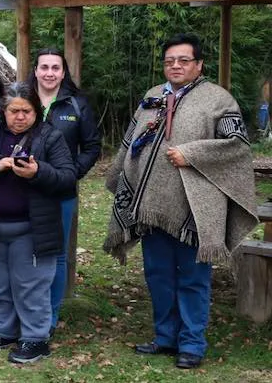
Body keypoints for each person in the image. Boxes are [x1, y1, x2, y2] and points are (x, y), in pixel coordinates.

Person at [104, 34, 257, 370]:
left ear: (198, 64)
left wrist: (192, 154)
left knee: (191, 277)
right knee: (158, 274)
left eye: (183, 60)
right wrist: (120, 175)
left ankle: (191, 343)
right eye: (170, 60)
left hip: (194, 208)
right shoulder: (152, 96)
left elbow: (237, 145)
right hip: (150, 206)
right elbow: (131, 141)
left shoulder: (218, 99)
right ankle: (165, 337)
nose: (175, 66)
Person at [0, 83, 77, 364]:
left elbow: (67, 177)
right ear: (4, 111)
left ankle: (36, 338)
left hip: (32, 228)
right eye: (14, 111)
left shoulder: (50, 136)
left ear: (36, 112)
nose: (20, 117)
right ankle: (2, 330)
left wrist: (38, 172)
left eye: (26, 111)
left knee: (31, 286)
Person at [24, 47, 101, 330]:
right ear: (35, 70)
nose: (49, 73)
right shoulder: (22, 99)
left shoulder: (75, 103)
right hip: (20, 188)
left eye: (55, 68)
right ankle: (25, 311)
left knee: (55, 254)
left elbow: (92, 146)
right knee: (22, 250)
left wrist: (71, 174)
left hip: (59, 192)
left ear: (63, 72)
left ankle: (49, 316)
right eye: (44, 67)